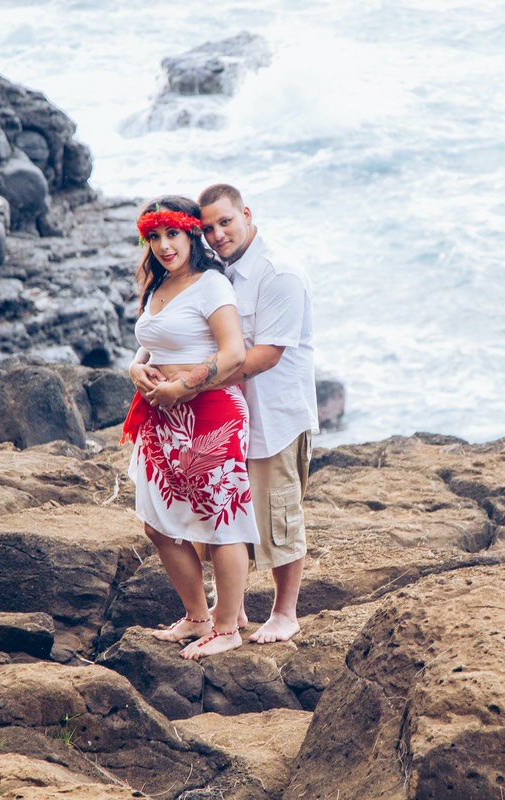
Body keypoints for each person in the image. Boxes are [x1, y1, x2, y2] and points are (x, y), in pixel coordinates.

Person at [121, 195, 257, 660]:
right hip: (162, 419)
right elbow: (152, 342)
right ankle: (197, 617)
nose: (163, 245)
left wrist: (183, 387)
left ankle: (226, 626)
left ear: (191, 234)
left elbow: (234, 353)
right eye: (153, 237)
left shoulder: (210, 284)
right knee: (157, 527)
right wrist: (137, 370)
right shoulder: (158, 286)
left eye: (172, 234)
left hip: (211, 412)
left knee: (222, 522)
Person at [198, 183, 318, 644]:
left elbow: (266, 355)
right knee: (230, 513)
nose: (217, 234)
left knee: (277, 515)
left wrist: (192, 382)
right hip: (231, 416)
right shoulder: (220, 273)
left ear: (246, 214)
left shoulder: (278, 273)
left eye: (225, 222)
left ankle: (285, 612)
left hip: (276, 416)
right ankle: (234, 608)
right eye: (208, 228)